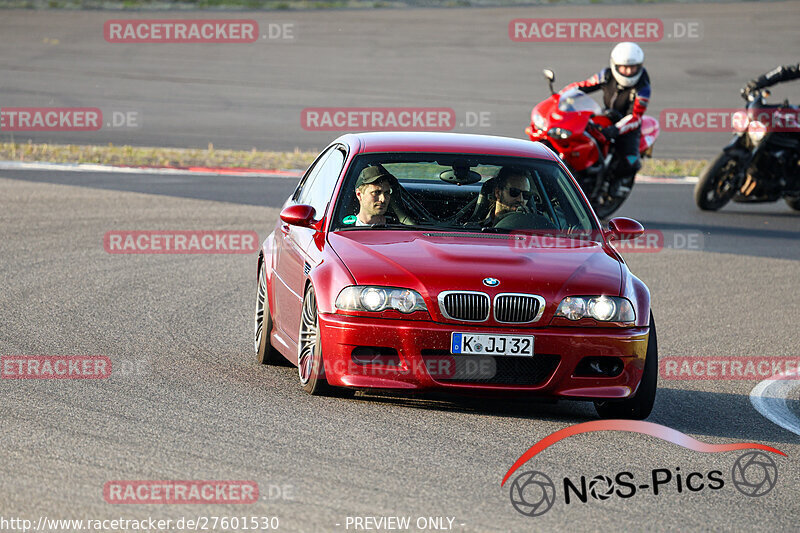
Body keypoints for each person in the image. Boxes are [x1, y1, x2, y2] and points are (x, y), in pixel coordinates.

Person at [560, 42, 651, 196]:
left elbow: (635, 117)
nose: (628, 72)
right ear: (615, 65)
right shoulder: (606, 75)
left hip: (628, 126)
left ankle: (612, 184)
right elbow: (583, 86)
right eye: (624, 67)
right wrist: (562, 96)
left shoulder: (643, 89)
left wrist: (615, 130)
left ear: (639, 66)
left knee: (631, 162)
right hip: (607, 115)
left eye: (633, 67)